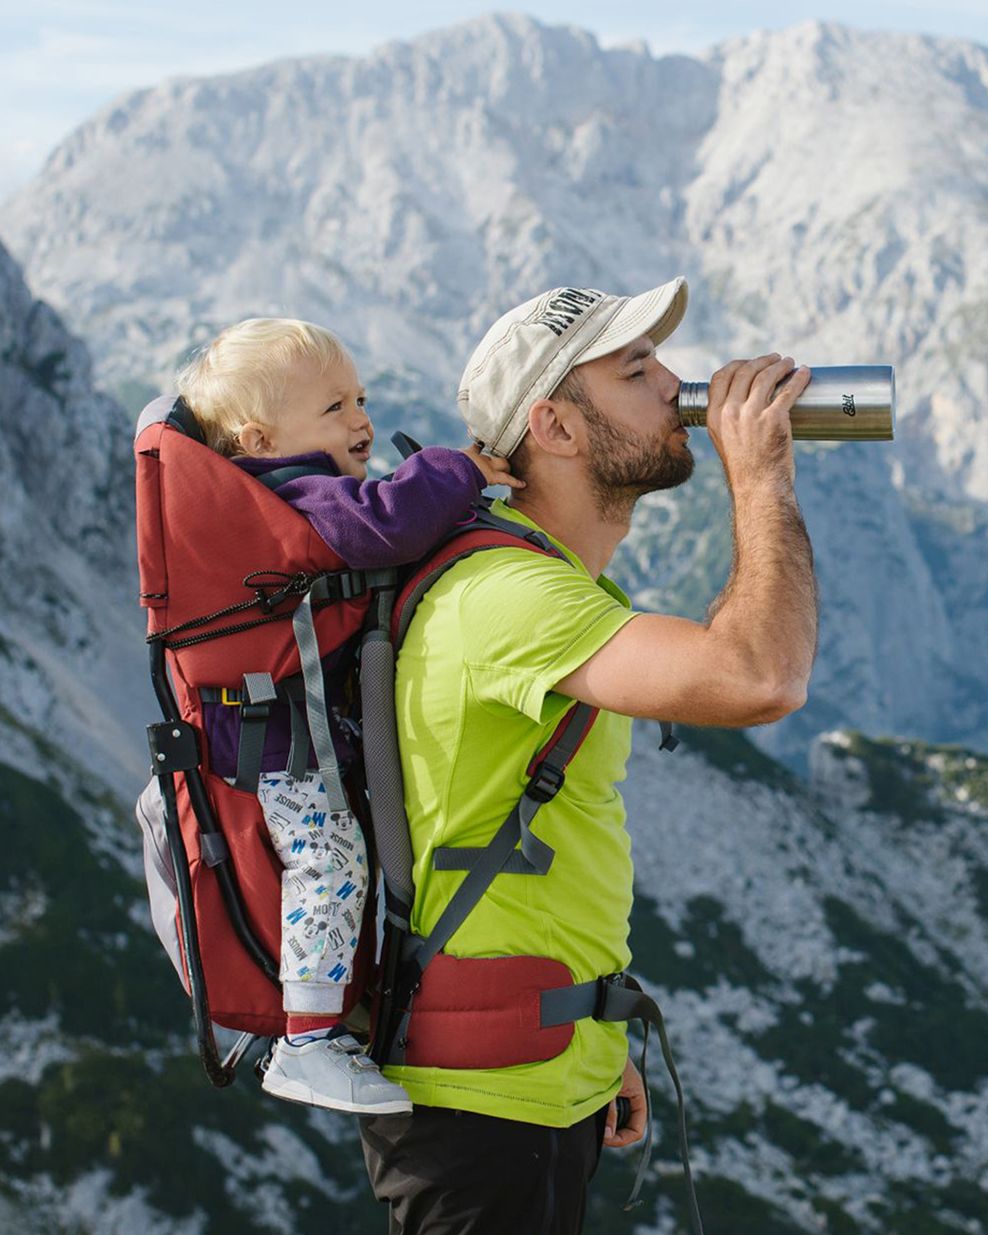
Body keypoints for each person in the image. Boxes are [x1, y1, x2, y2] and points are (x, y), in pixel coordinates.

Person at [357, 277, 819, 1233]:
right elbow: (760, 678)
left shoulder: (541, 581)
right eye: (637, 368)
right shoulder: (505, 596)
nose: (679, 386)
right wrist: (760, 473)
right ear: (555, 428)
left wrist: (590, 1035)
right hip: (479, 1110)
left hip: (527, 1075)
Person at [174, 317, 520, 1114]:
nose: (361, 419)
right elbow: (382, 523)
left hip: (280, 733)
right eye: (335, 407)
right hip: (282, 745)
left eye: (359, 398)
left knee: (344, 859)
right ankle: (306, 1042)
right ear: (261, 438)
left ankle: (329, 1012)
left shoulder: (272, 496)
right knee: (330, 860)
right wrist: (457, 471)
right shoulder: (294, 490)